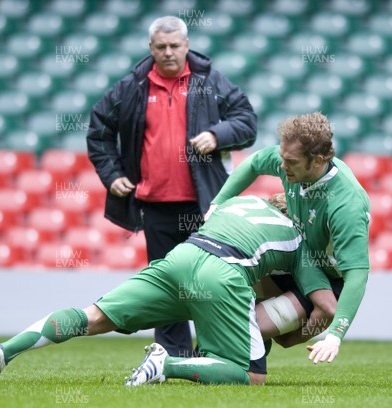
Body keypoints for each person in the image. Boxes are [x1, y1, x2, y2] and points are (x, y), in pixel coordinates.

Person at [0, 195, 303, 386]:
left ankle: (3, 351)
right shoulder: (297, 233)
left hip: (180, 257)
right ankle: (166, 364)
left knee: (92, 317)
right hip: (222, 273)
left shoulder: (242, 200)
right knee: (251, 376)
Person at [86, 16, 257, 358]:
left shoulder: (209, 82)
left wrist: (217, 134)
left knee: (209, 283)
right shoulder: (131, 88)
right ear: (151, 48)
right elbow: (99, 130)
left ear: (186, 45)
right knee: (167, 286)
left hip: (205, 206)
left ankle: (215, 351)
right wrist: (112, 173)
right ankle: (171, 358)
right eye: (161, 47)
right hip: (156, 205)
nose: (168, 53)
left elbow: (247, 122)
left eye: (174, 46)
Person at [209, 112, 371, 364]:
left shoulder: (345, 205)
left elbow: (357, 274)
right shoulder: (291, 161)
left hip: (327, 282)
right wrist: (217, 203)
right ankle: (227, 358)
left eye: (290, 161)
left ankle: (240, 357)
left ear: (317, 161)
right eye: (282, 157)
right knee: (229, 305)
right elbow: (253, 164)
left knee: (261, 332)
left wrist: (335, 335)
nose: (282, 166)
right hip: (293, 261)